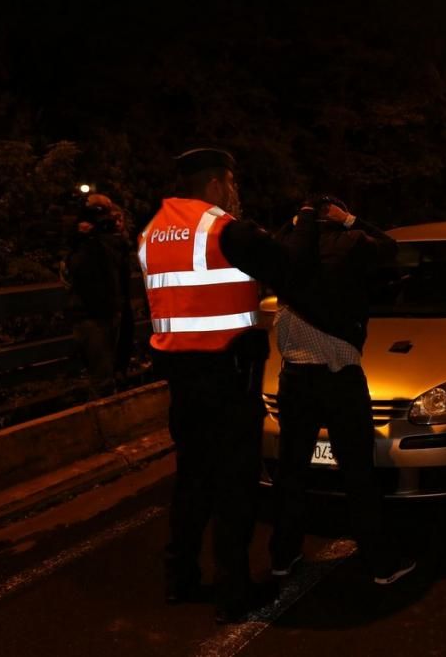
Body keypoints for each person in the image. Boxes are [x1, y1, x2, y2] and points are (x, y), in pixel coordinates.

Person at [138, 147, 321, 624]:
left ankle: (180, 579)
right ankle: (234, 591)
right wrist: (305, 221)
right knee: (234, 487)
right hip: (227, 378)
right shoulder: (225, 229)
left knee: (192, 481)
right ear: (217, 184)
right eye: (232, 185)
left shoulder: (153, 232)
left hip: (180, 378)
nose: (234, 194)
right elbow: (288, 265)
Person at [269, 195, 416, 585]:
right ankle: (380, 563)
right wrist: (353, 219)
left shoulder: (285, 250)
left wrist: (295, 222)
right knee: (357, 472)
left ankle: (283, 556)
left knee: (291, 472)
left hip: (295, 377)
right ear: (335, 216)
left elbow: (268, 248)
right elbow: (390, 250)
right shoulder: (351, 245)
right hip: (340, 377)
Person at [61, 197, 130, 399]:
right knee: (102, 377)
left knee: (113, 371)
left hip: (111, 310)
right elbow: (75, 269)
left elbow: (118, 270)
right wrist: (82, 237)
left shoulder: (113, 243)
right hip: (90, 316)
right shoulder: (81, 243)